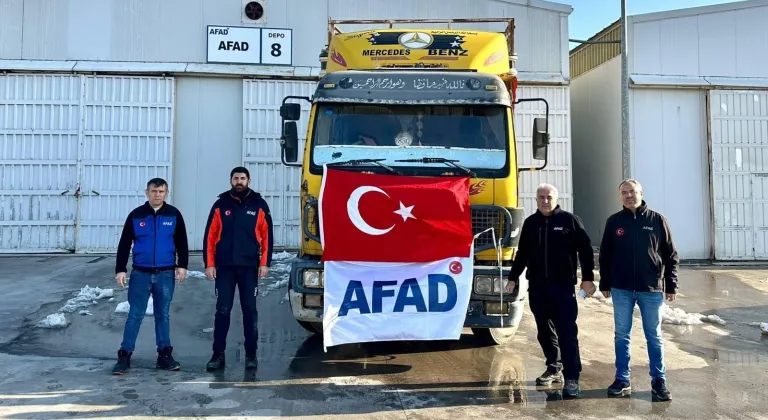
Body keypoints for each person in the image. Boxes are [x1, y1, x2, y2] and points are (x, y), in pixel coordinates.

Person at [509, 183, 595, 399]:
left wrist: (587, 279)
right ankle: (554, 368)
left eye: (549, 197)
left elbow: (585, 251)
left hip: (563, 288)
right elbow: (522, 254)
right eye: (541, 197)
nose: (545, 200)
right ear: (536, 199)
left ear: (556, 199)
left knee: (567, 333)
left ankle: (572, 377)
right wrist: (512, 277)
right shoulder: (531, 223)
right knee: (544, 332)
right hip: (538, 288)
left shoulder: (569, 221)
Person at [599, 178, 679, 402]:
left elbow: (671, 255)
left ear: (641, 193)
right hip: (621, 289)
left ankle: (659, 381)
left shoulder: (657, 220)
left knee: (654, 336)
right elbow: (605, 255)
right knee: (621, 335)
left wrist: (671, 284)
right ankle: (622, 379)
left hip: (650, 289)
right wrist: (605, 283)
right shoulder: (614, 222)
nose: (629, 196)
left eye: (632, 192)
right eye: (624, 192)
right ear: (620, 196)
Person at [112, 178, 189, 375]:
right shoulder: (136, 216)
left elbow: (182, 241)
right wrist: (121, 269)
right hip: (141, 274)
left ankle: (164, 355)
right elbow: (124, 244)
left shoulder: (173, 215)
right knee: (135, 315)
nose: (157, 195)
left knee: (162, 314)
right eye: (154, 191)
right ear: (147, 192)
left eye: (161, 191)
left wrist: (182, 266)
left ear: (166, 193)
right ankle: (124, 355)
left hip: (165, 274)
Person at [203, 166, 274, 371]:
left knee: (250, 311)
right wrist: (209, 264)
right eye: (236, 178)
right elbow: (210, 236)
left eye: (243, 178)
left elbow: (267, 236)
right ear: (231, 180)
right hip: (225, 267)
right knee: (222, 310)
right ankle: (218, 355)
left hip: (249, 268)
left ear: (249, 180)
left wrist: (264, 263)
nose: (239, 181)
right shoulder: (220, 204)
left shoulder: (259, 205)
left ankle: (251, 355)